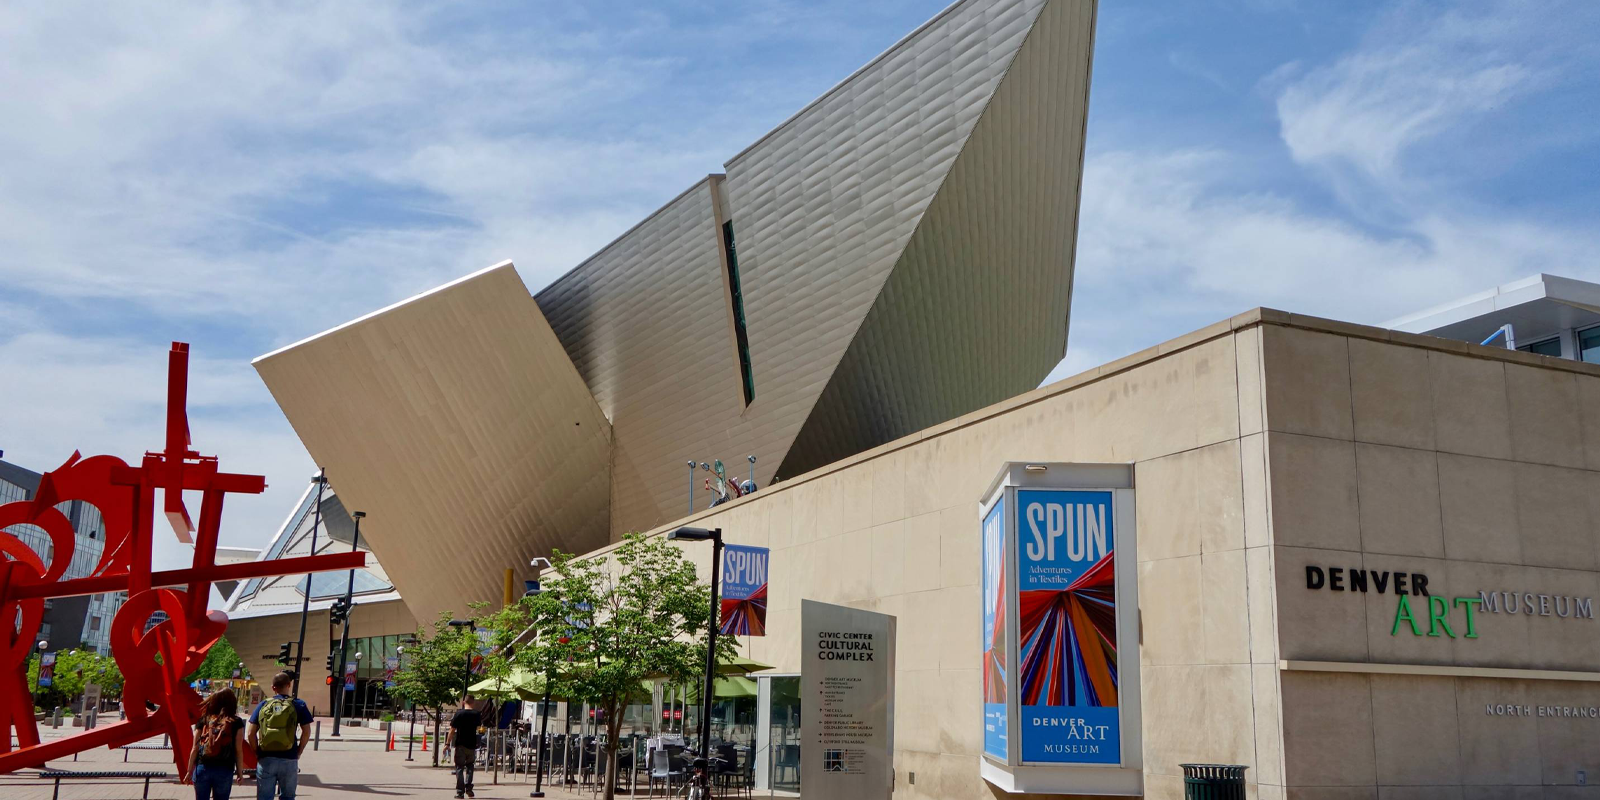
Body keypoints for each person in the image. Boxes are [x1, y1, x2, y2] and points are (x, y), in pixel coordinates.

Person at [246, 672, 312, 800]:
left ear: (273, 687)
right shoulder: (298, 704)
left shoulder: (263, 704)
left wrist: (256, 751)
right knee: (288, 796)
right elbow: (307, 731)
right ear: (289, 685)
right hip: (289, 757)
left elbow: (250, 733)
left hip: (266, 758)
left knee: (264, 797)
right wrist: (299, 750)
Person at [183, 688, 246, 800]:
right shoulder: (236, 722)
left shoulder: (204, 720)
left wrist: (189, 771)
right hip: (225, 769)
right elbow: (238, 750)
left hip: (202, 768)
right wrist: (240, 772)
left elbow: (195, 748)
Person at [450, 696, 483, 799]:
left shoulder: (459, 714)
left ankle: (460, 792)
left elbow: (452, 730)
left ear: (464, 702)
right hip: (472, 744)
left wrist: (447, 743)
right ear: (473, 703)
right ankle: (468, 787)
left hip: (460, 744)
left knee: (459, 767)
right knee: (470, 766)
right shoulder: (477, 715)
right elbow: (480, 729)